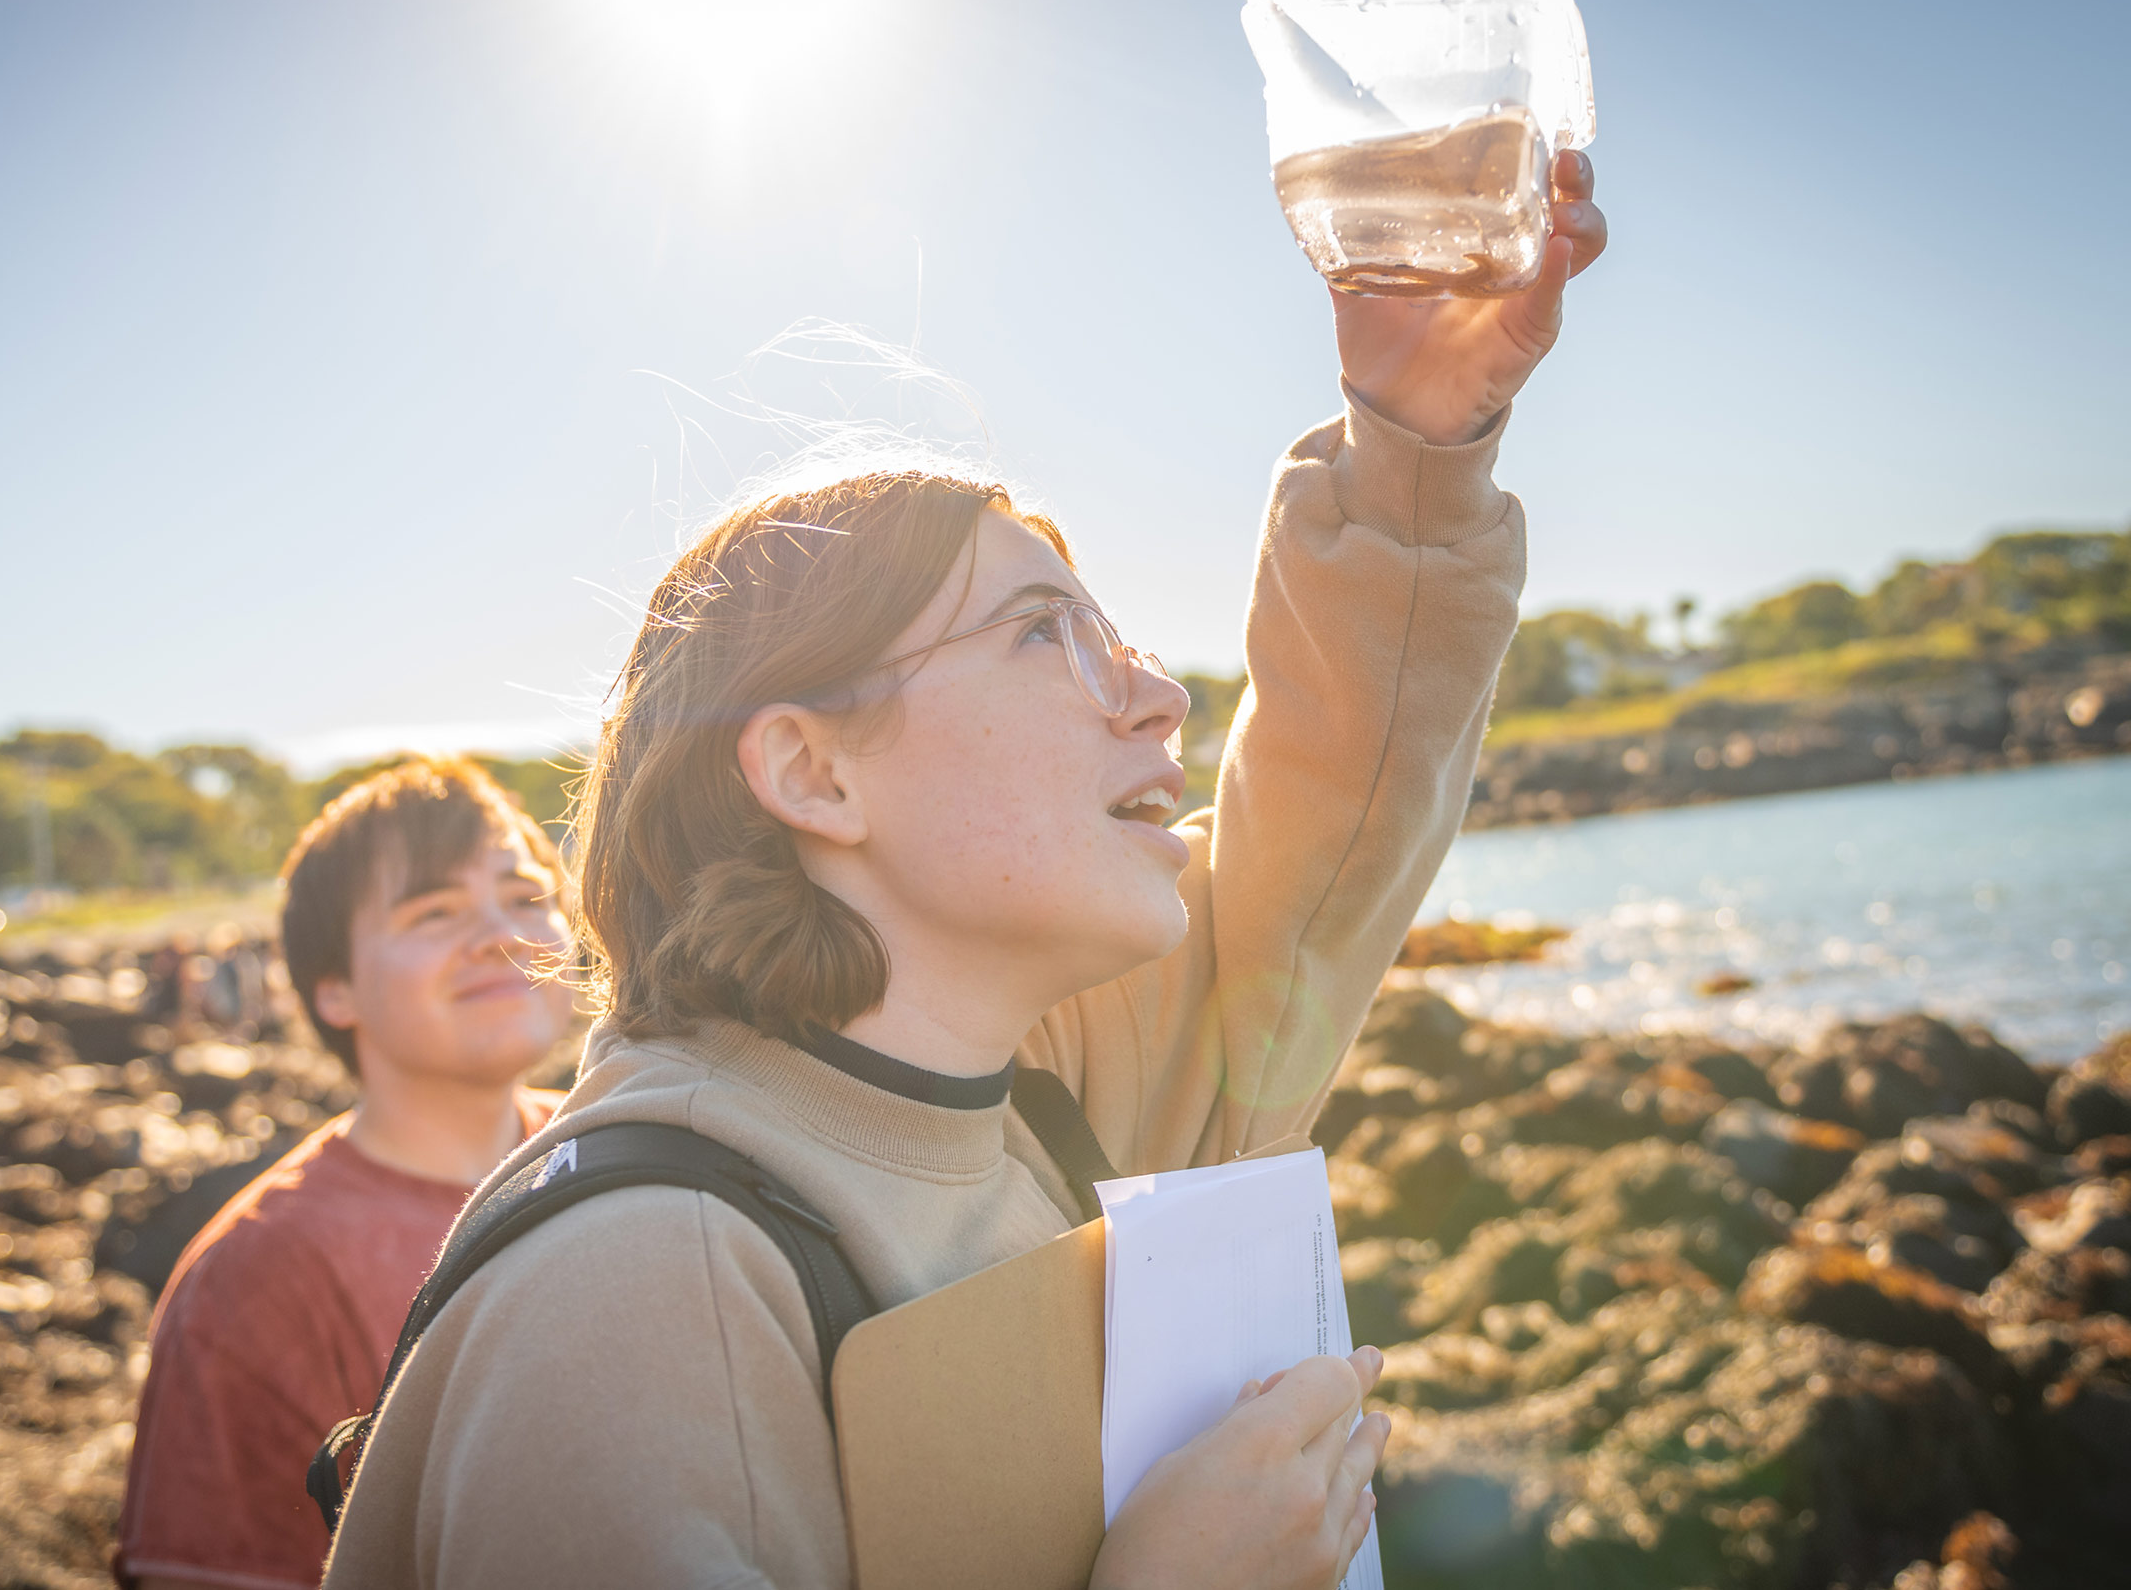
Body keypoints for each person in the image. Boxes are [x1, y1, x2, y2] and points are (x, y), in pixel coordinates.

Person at [325, 156, 1608, 1590]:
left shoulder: (1032, 1096)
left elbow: (1324, 838)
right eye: (1037, 634)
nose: (1153, 692)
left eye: (1114, 633)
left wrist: (1416, 442)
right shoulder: (639, 1284)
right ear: (814, 771)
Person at [118, 756, 580, 1590]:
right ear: (333, 989)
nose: (499, 933)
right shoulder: (256, 1276)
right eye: (434, 910)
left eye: (525, 898)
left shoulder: (631, 1144)